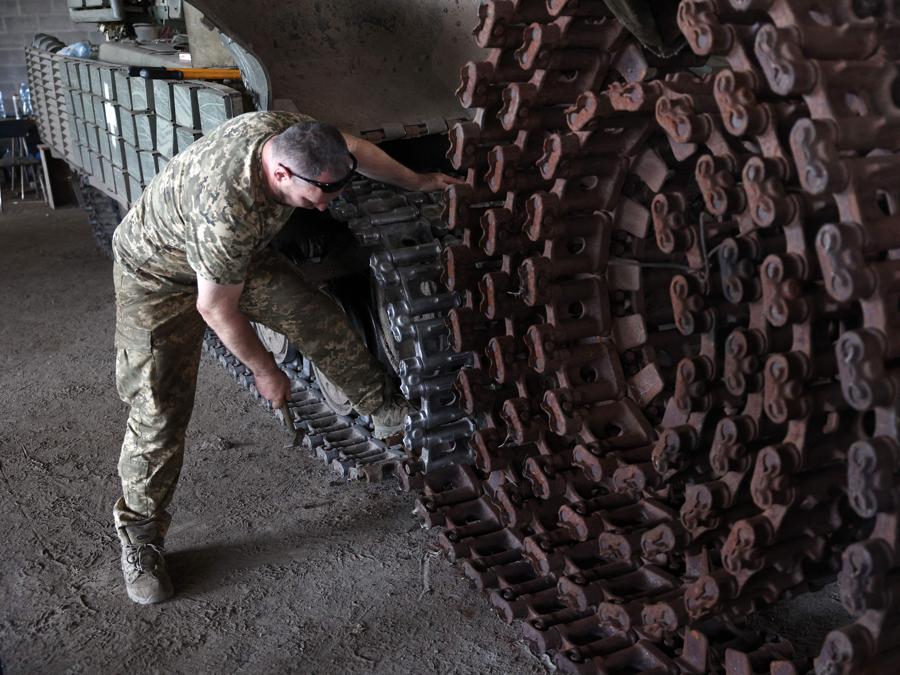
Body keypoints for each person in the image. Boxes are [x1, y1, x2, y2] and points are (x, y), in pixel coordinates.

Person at [111, 110, 459, 605]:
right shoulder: (227, 207)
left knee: (314, 317)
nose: (324, 205)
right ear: (280, 173)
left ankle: (386, 412)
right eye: (315, 195)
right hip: (158, 274)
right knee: (159, 407)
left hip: (235, 257)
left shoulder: (295, 135)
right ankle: (140, 537)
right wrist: (266, 370)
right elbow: (215, 307)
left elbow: (356, 149)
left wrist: (419, 180)